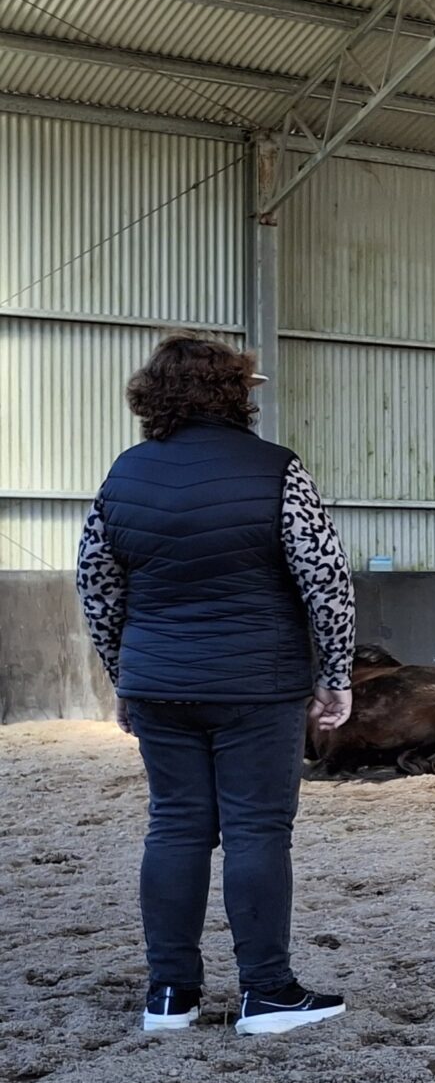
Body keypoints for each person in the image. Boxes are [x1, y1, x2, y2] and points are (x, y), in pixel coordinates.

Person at [75, 335, 356, 1033]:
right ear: (235, 393)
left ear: (154, 397)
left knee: (174, 827)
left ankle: (169, 996)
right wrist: (337, 673)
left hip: (159, 682)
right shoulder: (276, 471)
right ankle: (267, 994)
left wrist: (125, 677)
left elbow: (96, 586)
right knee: (257, 829)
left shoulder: (123, 476)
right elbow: (325, 578)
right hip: (255, 685)